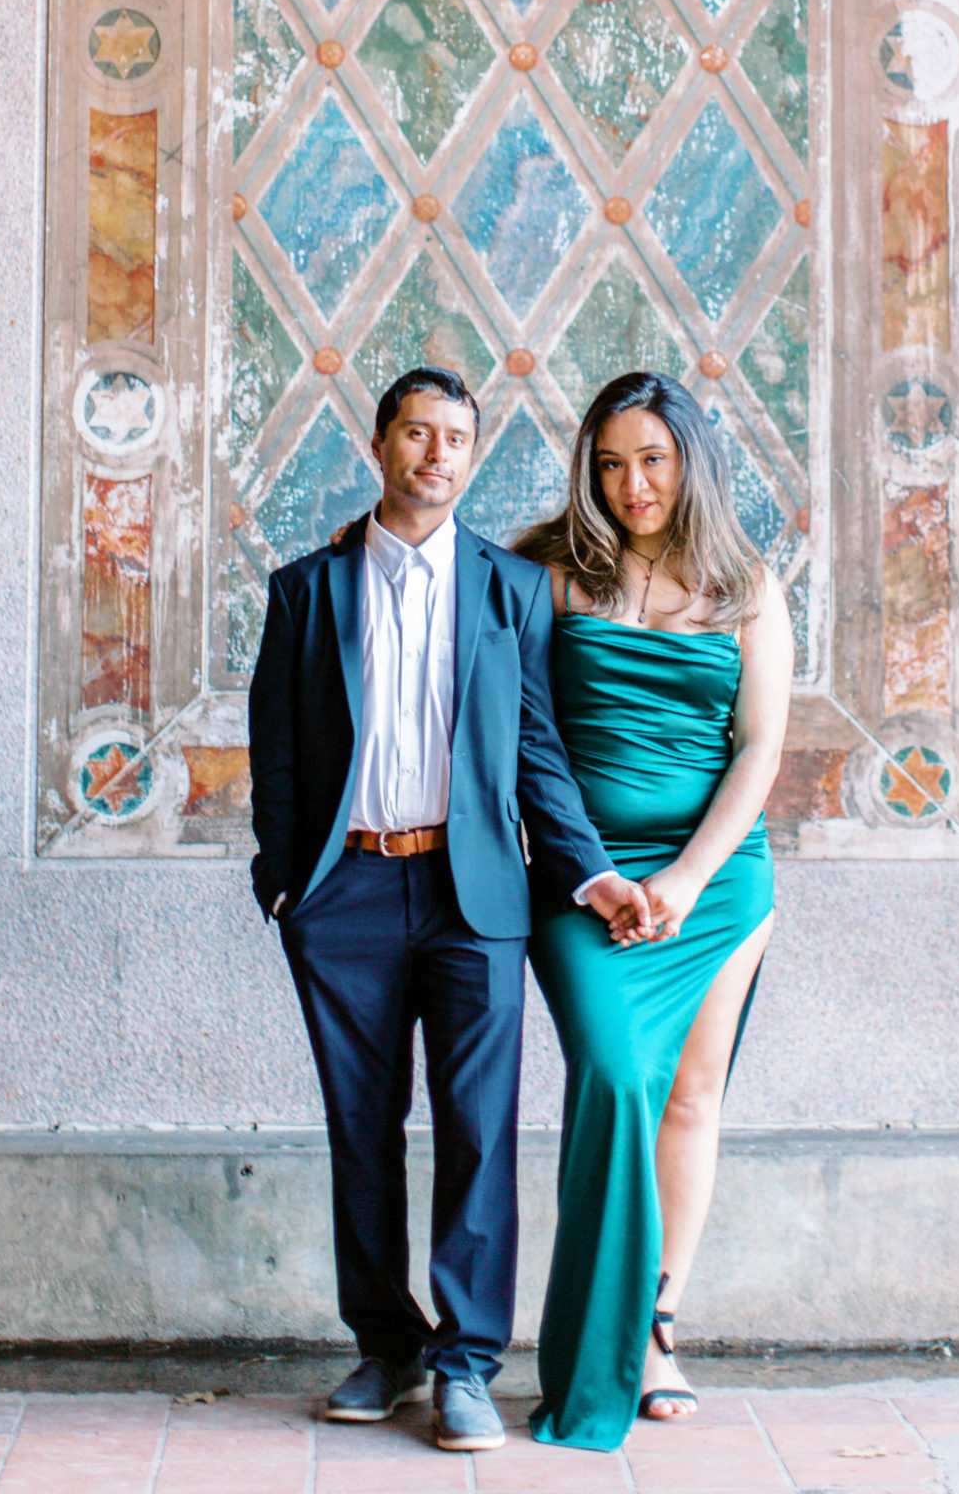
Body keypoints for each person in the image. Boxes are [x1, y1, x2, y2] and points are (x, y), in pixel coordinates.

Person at [247, 365, 650, 1455]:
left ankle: (467, 1362)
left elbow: (535, 749)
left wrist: (589, 869)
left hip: (478, 899)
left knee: (478, 1131)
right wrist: (283, 878)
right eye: (417, 433)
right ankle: (386, 1348)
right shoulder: (304, 590)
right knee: (363, 1130)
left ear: (473, 456)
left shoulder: (508, 590)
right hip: (347, 896)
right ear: (380, 445)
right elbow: (277, 752)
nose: (436, 454)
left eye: (456, 439)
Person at [513, 370, 790, 1450]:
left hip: (718, 880)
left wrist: (684, 879)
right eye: (613, 462)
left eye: (655, 460)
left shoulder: (747, 582)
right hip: (586, 880)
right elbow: (528, 737)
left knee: (691, 1098)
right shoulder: (545, 574)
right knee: (618, 1076)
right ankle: (594, 1346)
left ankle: (659, 1321)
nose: (634, 483)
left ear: (691, 461)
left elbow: (760, 748)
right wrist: (602, 872)